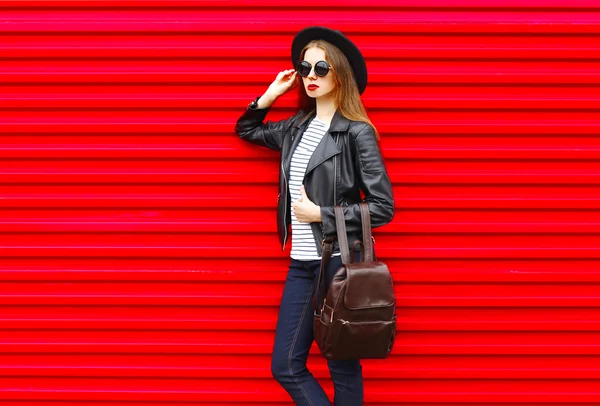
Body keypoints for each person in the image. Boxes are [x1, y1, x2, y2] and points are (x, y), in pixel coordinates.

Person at [234, 26, 394, 406]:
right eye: (305, 67)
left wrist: (319, 213)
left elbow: (383, 207)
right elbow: (247, 128)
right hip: (301, 265)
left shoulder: (356, 133)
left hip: (339, 262)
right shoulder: (295, 127)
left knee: (341, 366)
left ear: (340, 72)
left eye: (321, 68)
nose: (310, 76)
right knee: (286, 364)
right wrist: (273, 93)